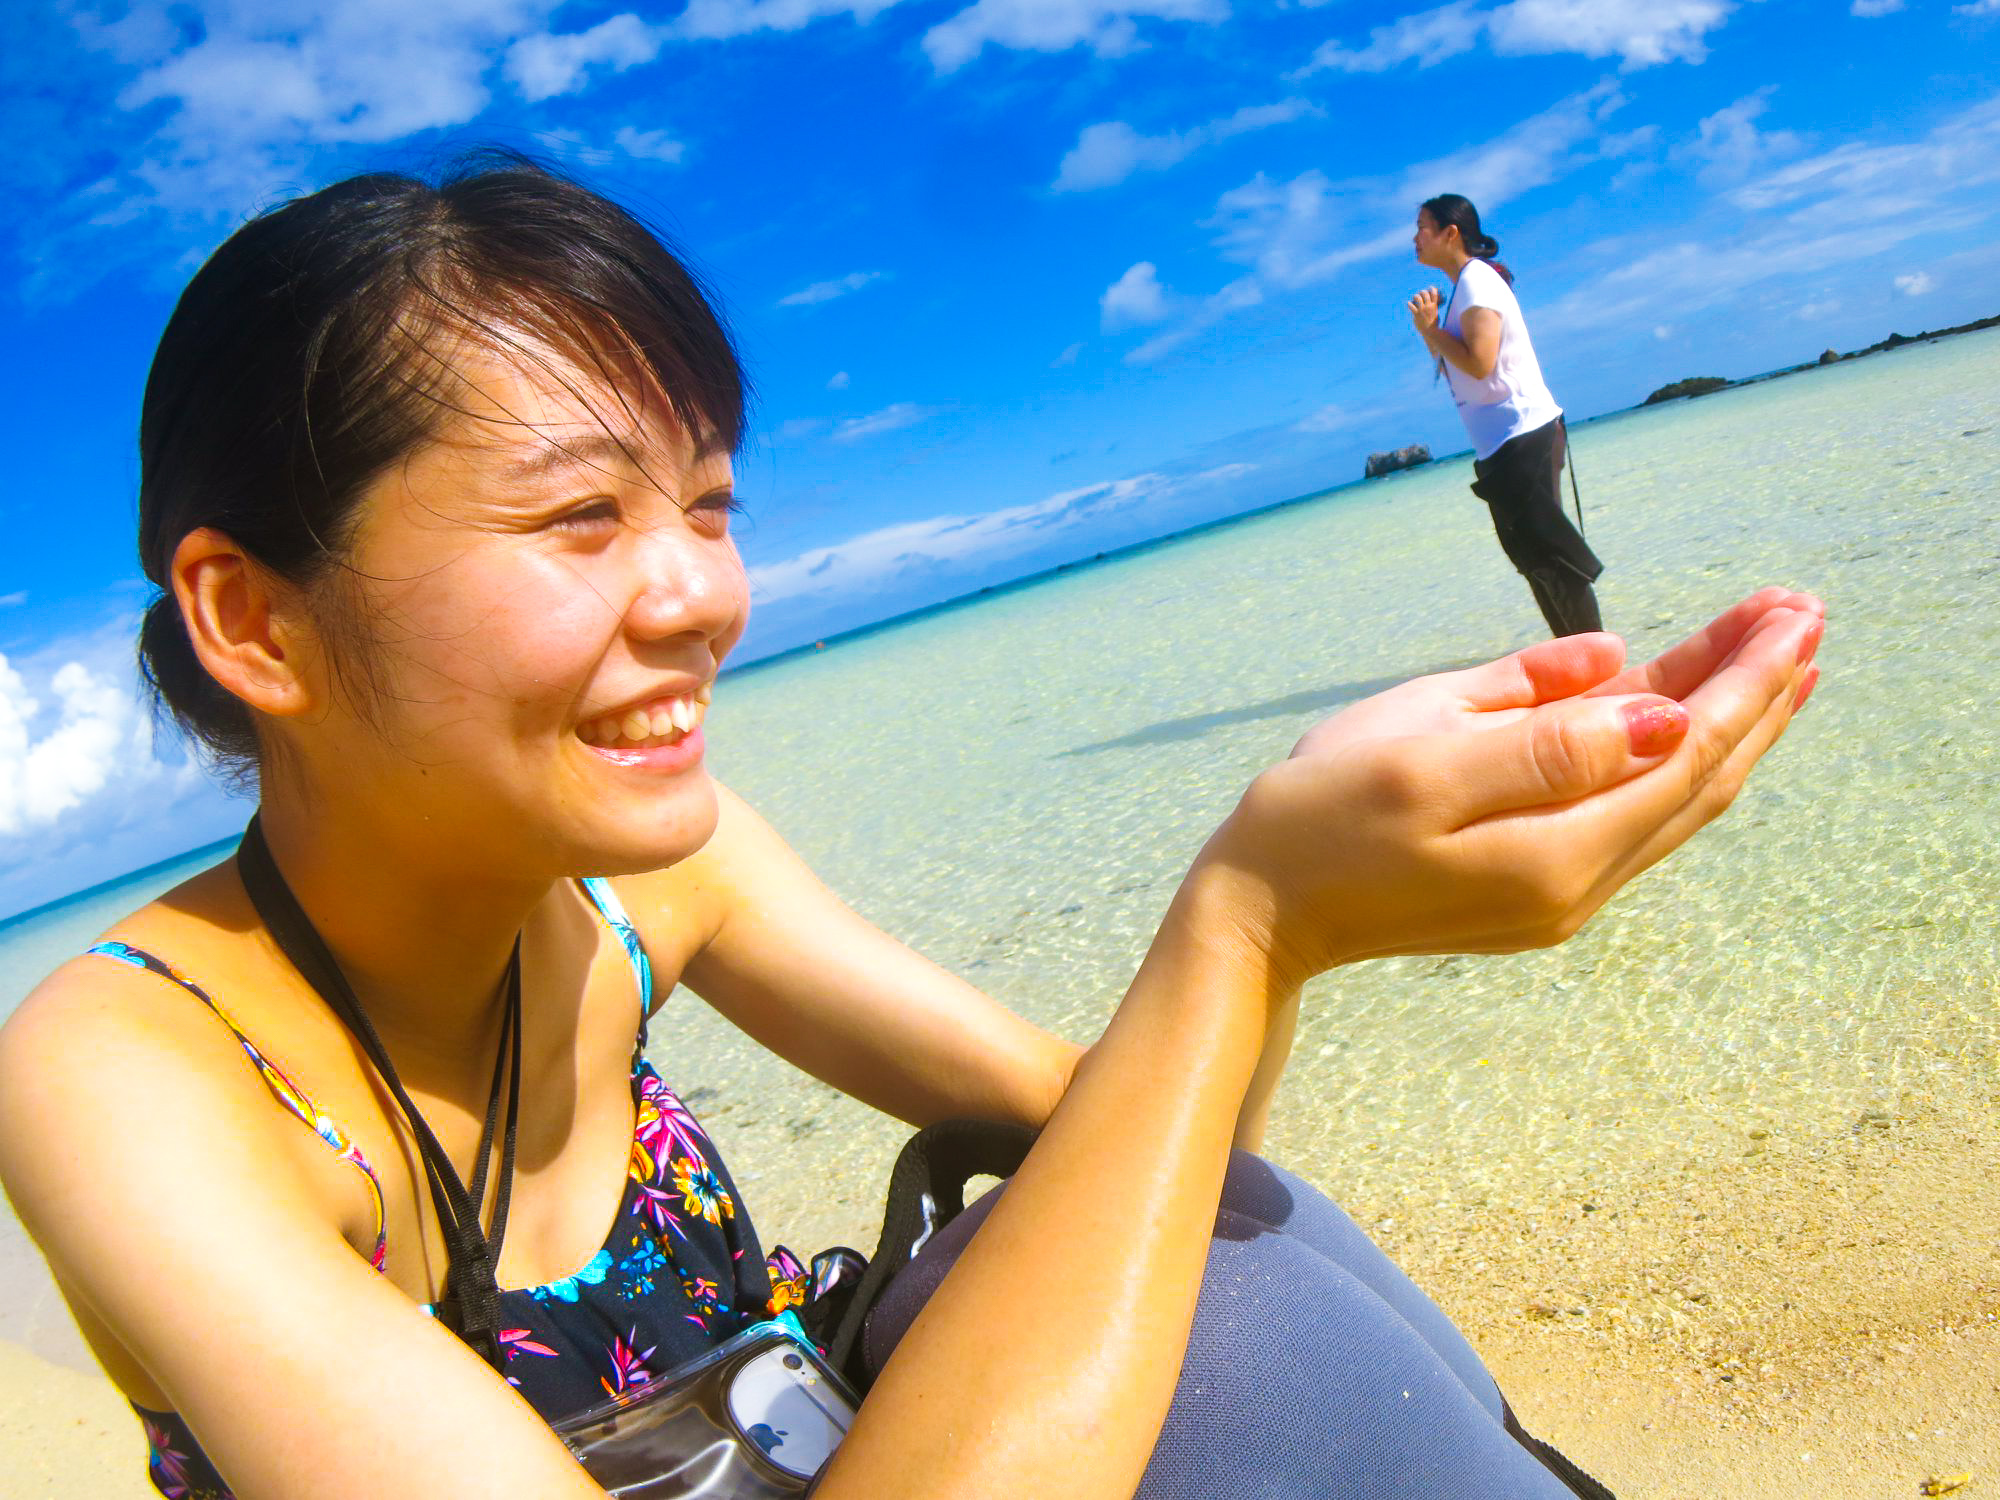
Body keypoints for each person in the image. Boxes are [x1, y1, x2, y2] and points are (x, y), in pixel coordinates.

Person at [0, 157, 1825, 1500]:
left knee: (1247, 1267)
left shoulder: (649, 882)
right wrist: (1252, 920)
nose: (700, 598)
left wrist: (1320, 893)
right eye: (578, 520)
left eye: (707, 506)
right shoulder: (136, 1072)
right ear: (255, 622)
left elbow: (1153, 1152)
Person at [1408, 193, 1603, 639]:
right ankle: (1573, 663)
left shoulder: (1477, 281)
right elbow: (1460, 369)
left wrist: (1432, 330)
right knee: (1532, 558)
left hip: (1523, 432)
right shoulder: (1464, 289)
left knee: (1552, 557)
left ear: (1449, 232)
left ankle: (1597, 668)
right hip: (1501, 443)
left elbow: (1480, 362)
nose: (1414, 237)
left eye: (1422, 226)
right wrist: (1433, 331)